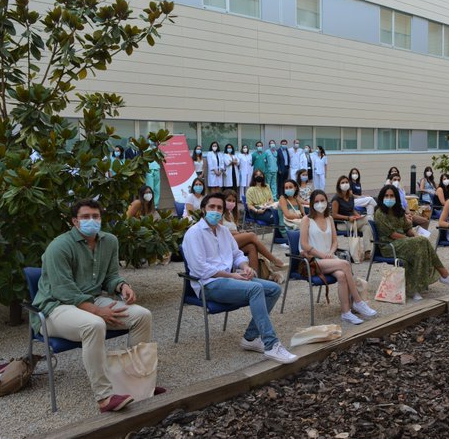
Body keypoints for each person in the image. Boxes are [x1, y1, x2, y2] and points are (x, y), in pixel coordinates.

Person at [31, 198, 158, 412]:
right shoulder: (59, 247)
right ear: (74, 221)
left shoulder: (109, 241)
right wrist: (97, 311)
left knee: (142, 315)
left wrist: (121, 286)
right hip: (55, 308)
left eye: (96, 216)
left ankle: (137, 385)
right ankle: (105, 397)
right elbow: (63, 290)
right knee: (94, 325)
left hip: (91, 299)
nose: (92, 220)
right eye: (85, 217)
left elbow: (110, 277)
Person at [183, 193, 298, 364]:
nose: (215, 211)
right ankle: (271, 344)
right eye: (211, 207)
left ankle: (250, 338)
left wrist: (245, 267)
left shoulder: (223, 232)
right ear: (203, 210)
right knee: (256, 288)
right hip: (209, 284)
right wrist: (231, 275)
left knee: (273, 289)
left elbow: (237, 254)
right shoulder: (194, 233)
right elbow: (200, 269)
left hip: (230, 280)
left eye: (219, 208)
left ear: (223, 212)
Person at [299, 190, 377, 324]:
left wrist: (330, 252)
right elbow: (304, 244)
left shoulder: (329, 219)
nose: (320, 204)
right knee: (345, 264)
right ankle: (358, 301)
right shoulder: (306, 220)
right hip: (314, 261)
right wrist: (322, 255)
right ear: (311, 204)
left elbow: (335, 241)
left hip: (329, 258)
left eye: (322, 200)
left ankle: (346, 312)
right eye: (316, 201)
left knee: (341, 275)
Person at [374, 185, 449, 300]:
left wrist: (414, 235)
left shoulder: (399, 211)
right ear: (382, 197)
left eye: (392, 196)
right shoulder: (380, 213)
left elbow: (408, 228)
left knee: (422, 242)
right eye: (386, 196)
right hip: (389, 245)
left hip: (403, 243)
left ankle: (414, 288)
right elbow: (392, 234)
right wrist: (412, 239)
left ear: (396, 197)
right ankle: (444, 275)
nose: (389, 198)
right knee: (421, 242)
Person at [222, 189, 286, 274]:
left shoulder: (230, 214)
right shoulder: (220, 214)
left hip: (234, 240)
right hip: (225, 241)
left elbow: (234, 230)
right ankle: (274, 260)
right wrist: (239, 233)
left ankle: (254, 274)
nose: (231, 203)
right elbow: (222, 232)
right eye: (229, 200)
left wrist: (240, 233)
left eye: (233, 201)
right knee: (252, 235)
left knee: (251, 246)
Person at [331, 175, 372, 260]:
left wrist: (358, 215)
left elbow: (352, 209)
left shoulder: (350, 196)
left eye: (346, 182)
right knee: (368, 220)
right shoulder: (336, 198)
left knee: (366, 227)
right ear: (339, 185)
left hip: (354, 221)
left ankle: (367, 252)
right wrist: (347, 218)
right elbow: (334, 215)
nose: (345, 184)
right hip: (342, 224)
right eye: (342, 183)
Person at [145, 142, 161, 208]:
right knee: (150, 188)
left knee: (157, 188)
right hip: (149, 169)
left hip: (157, 168)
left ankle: (156, 205)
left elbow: (160, 157)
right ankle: (149, 205)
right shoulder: (145, 149)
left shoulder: (157, 149)